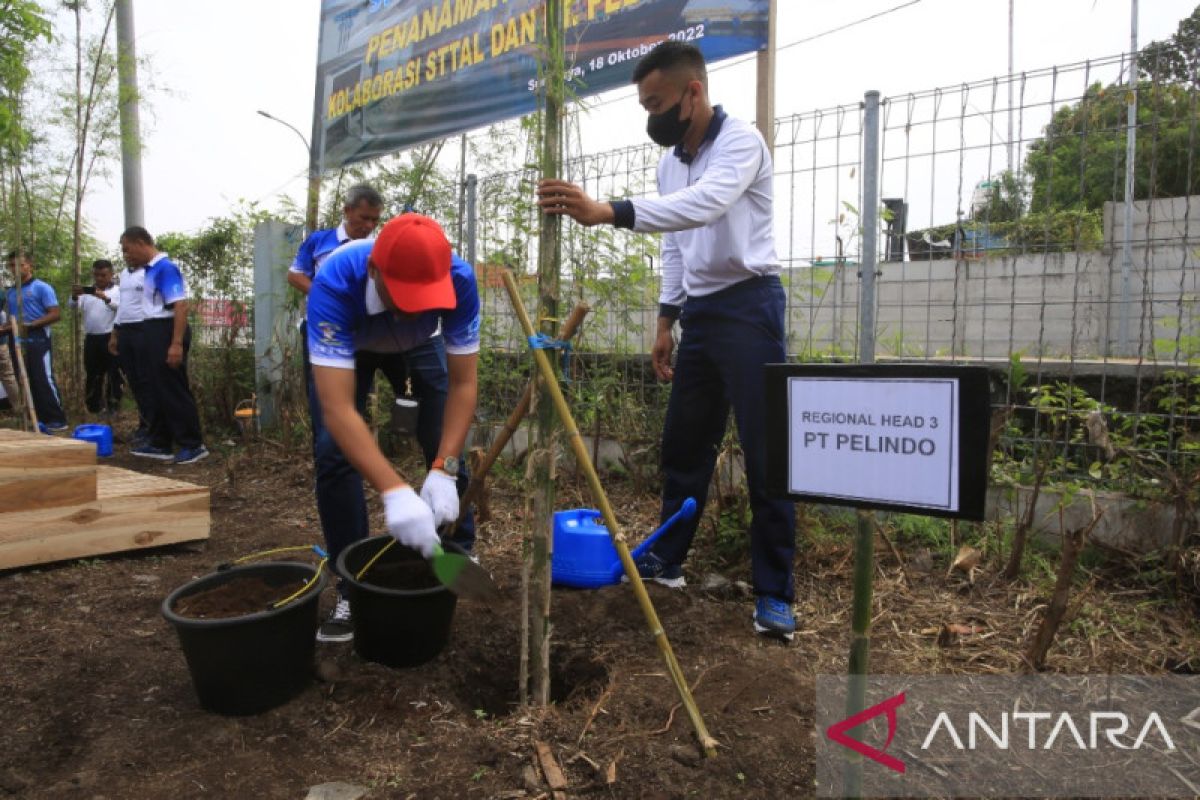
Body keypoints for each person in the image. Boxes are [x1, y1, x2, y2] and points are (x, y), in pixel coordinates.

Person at [536, 41, 797, 641]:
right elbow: (676, 242)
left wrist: (610, 211)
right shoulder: (670, 161)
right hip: (701, 313)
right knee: (685, 441)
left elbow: (704, 207)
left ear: (693, 92)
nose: (650, 114)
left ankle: (775, 592)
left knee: (766, 452)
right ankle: (668, 559)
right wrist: (665, 319)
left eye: (656, 102)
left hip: (751, 305)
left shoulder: (741, 143)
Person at [306, 212, 479, 643]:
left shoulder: (459, 279)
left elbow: (464, 383)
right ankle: (352, 585)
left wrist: (444, 466)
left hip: (421, 344)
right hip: (352, 341)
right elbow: (338, 408)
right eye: (403, 295)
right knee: (333, 451)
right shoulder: (335, 280)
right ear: (374, 271)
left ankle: (456, 555)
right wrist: (394, 490)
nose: (411, 308)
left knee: (440, 432)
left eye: (424, 296)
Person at [118, 227, 208, 464]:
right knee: (155, 387)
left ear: (140, 242)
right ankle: (160, 442)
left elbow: (180, 306)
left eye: (127, 249)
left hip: (166, 331)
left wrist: (176, 343)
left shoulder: (166, 269)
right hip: (151, 329)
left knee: (172, 387)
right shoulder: (149, 270)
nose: (126, 255)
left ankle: (192, 443)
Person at [2, 250, 67, 431]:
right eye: (11, 265)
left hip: (38, 338)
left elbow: (55, 314)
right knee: (24, 379)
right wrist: (5, 328)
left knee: (42, 377)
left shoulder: (41, 287)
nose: (15, 269)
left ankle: (56, 419)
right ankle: (35, 418)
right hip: (16, 340)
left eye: (19, 265)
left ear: (29, 265)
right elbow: (12, 319)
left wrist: (30, 326)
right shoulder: (11, 292)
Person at [109, 246, 154, 445]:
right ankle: (143, 425)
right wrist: (114, 334)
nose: (127, 255)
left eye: (129, 250)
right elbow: (123, 306)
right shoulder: (124, 276)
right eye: (124, 252)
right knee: (134, 380)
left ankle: (154, 427)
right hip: (125, 331)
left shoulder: (150, 273)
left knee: (147, 380)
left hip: (143, 329)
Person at [72, 259, 122, 415]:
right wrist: (74, 296)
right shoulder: (87, 291)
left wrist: (105, 298)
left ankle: (113, 406)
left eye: (103, 275)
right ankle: (93, 406)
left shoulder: (117, 291)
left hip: (111, 336)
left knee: (113, 372)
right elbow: (73, 307)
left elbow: (120, 309)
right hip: (92, 338)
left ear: (111, 274)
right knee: (93, 373)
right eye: (96, 275)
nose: (99, 278)